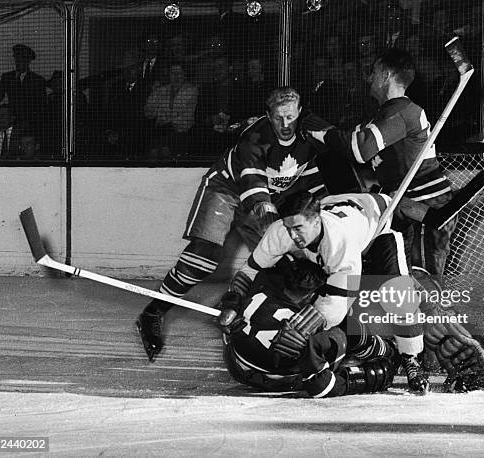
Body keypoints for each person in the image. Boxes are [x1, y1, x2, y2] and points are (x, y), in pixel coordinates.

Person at [136, 87, 331, 362]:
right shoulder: (253, 139)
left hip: (269, 197)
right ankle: (153, 312)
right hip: (227, 189)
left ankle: (241, 311)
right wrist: (280, 235)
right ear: (268, 116)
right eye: (278, 118)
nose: (285, 125)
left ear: (299, 113)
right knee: (204, 257)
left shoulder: (310, 135)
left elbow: (317, 184)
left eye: (290, 117)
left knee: (280, 263)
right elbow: (256, 196)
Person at [219, 191, 430, 393]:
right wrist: (233, 303)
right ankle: (360, 346)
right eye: (288, 227)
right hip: (338, 209)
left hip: (378, 223)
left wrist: (301, 331)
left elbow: (335, 308)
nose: (292, 235)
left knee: (398, 294)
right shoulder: (280, 231)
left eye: (298, 228)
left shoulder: (341, 245)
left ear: (316, 221)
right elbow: (251, 269)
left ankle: (411, 358)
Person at [308, 48, 456, 278]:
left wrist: (318, 130)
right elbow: (349, 142)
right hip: (406, 206)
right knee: (400, 286)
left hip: (425, 208)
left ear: (386, 75)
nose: (369, 78)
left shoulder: (402, 111)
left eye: (374, 72)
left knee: (423, 285)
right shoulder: (385, 113)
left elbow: (359, 149)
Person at [221, 255, 401, 397]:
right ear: (311, 294)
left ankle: (378, 348)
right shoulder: (305, 331)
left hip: (237, 365)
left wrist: (232, 309)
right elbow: (321, 386)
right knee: (344, 323)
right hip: (282, 380)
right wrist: (369, 377)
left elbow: (237, 290)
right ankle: (387, 350)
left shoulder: (261, 281)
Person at [0, 44, 47, 125]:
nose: (19, 61)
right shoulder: (7, 77)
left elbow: (42, 104)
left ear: (29, 61)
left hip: (30, 121)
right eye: (17, 58)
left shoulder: (38, 80)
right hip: (10, 120)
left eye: (23, 59)